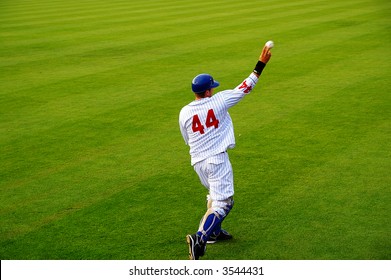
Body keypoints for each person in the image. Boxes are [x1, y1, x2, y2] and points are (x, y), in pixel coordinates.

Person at [179, 44, 272, 260]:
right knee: (224, 202)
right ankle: (200, 239)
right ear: (209, 91)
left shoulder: (184, 112)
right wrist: (260, 66)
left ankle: (215, 233)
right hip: (216, 160)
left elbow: (187, 138)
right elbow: (245, 87)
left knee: (213, 194)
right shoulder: (220, 100)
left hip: (197, 162)